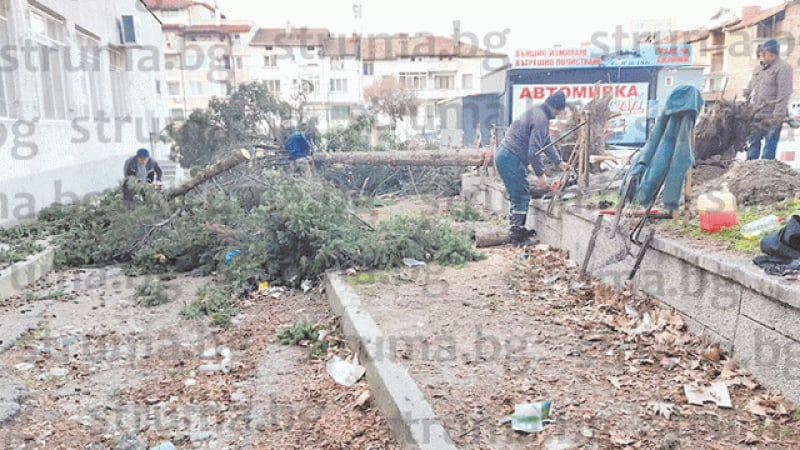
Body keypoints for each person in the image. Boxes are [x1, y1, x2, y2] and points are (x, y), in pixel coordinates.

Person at [494, 91, 569, 246]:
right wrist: (540, 174)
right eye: (559, 112)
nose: (558, 115)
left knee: (519, 192)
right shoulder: (541, 118)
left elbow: (546, 142)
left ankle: (518, 228)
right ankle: (516, 235)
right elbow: (534, 151)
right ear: (556, 108)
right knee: (521, 195)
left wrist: (558, 162)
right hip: (510, 157)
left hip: (506, 155)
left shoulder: (537, 112)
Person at [745, 39, 794, 160]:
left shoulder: (783, 68)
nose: (762, 55)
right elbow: (751, 85)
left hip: (772, 115)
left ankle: (766, 174)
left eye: (764, 53)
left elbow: (784, 93)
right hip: (756, 114)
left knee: (769, 147)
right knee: (753, 144)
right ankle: (749, 170)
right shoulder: (759, 69)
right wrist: (747, 91)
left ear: (772, 53)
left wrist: (778, 115)